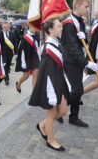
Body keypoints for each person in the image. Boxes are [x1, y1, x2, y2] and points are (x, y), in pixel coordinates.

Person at [29, 18, 69, 152]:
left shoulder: (57, 43)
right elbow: (46, 73)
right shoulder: (47, 48)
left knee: (63, 111)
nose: (61, 28)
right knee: (51, 113)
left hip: (59, 81)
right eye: (59, 26)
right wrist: (51, 93)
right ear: (50, 30)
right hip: (50, 85)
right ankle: (51, 140)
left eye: (61, 26)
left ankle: (42, 125)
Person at [60, 0, 98, 127]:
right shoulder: (69, 24)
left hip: (78, 60)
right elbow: (72, 48)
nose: (88, 10)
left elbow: (82, 44)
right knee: (77, 90)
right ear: (77, 6)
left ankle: (70, 114)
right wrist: (86, 63)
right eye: (86, 7)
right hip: (71, 61)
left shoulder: (79, 22)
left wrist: (84, 37)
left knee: (78, 90)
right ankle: (64, 112)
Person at [15, 25, 40, 92]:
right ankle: (18, 84)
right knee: (26, 76)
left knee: (36, 73)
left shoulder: (37, 35)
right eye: (33, 27)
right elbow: (22, 51)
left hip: (35, 57)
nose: (35, 28)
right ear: (29, 27)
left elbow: (38, 48)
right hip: (27, 58)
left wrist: (40, 57)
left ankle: (34, 93)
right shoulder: (25, 38)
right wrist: (23, 63)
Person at [2, 21, 16, 85]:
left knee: (7, 66)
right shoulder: (0, 34)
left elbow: (15, 43)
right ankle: (6, 79)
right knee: (5, 66)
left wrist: (16, 52)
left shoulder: (12, 34)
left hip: (10, 53)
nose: (6, 28)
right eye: (4, 27)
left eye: (7, 27)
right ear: (2, 27)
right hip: (3, 53)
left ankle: (5, 74)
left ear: (9, 27)